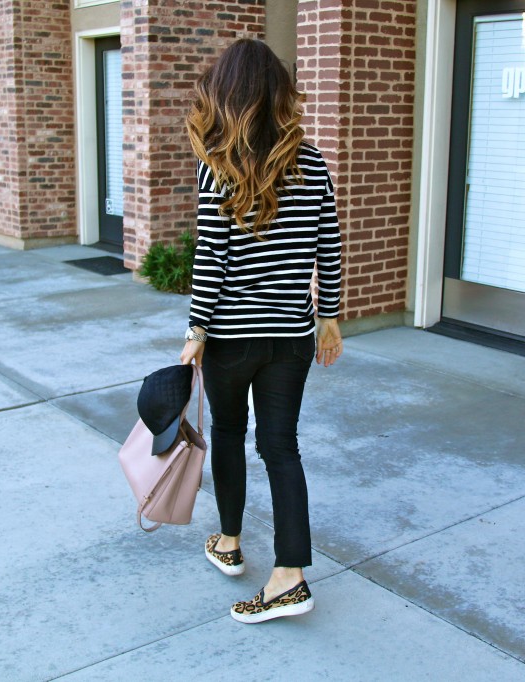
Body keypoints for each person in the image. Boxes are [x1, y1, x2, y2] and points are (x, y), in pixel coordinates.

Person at [179, 38, 343, 624]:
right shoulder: (315, 161)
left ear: (226, 95)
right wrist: (330, 316)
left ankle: (228, 544)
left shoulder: (216, 167)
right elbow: (330, 245)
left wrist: (197, 329)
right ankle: (290, 575)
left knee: (228, 433)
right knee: (280, 447)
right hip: (291, 336)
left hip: (231, 337)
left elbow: (212, 258)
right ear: (278, 93)